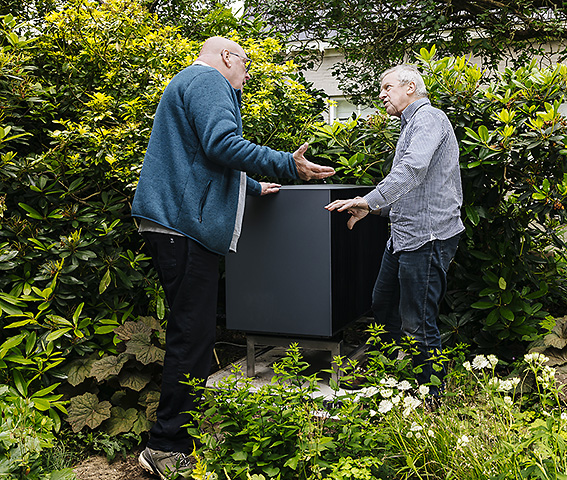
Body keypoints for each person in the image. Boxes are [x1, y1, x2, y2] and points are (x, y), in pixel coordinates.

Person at [131, 36, 334, 479]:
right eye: (245, 67)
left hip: (174, 226)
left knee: (193, 332)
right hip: (183, 229)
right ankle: (167, 447)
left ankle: (171, 440)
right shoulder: (208, 81)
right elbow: (222, 144)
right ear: (227, 57)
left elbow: (198, 162)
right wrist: (286, 165)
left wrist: (255, 187)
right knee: (192, 336)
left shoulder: (187, 83)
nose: (244, 79)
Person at [325, 64, 463, 396]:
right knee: (383, 305)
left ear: (411, 88)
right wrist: (371, 208)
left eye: (387, 87)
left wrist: (368, 200)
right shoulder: (410, 126)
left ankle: (430, 397)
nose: (381, 94)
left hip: (428, 237)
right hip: (403, 235)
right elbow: (414, 189)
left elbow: (413, 170)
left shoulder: (429, 119)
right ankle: (385, 376)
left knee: (418, 321)